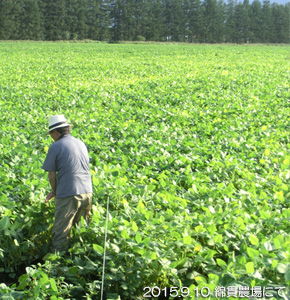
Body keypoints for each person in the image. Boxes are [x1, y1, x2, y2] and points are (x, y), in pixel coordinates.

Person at [42, 115, 93, 253]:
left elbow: (52, 175)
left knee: (61, 232)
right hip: (87, 191)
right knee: (81, 230)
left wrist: (55, 191)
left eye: (51, 133)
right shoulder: (80, 143)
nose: (51, 137)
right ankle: (80, 260)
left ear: (56, 132)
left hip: (68, 194)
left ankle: (57, 265)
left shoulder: (56, 146)